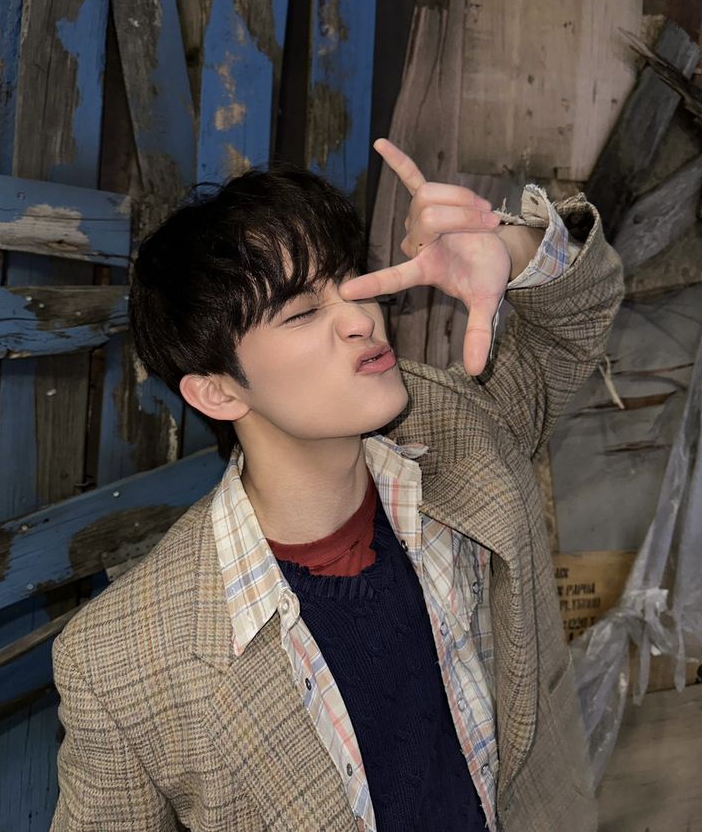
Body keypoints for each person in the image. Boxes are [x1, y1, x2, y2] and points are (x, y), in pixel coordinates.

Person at [50, 139, 624, 831]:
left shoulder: (465, 429)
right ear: (219, 390)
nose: (360, 317)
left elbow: (576, 321)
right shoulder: (121, 664)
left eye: (349, 279)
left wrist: (513, 245)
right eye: (301, 312)